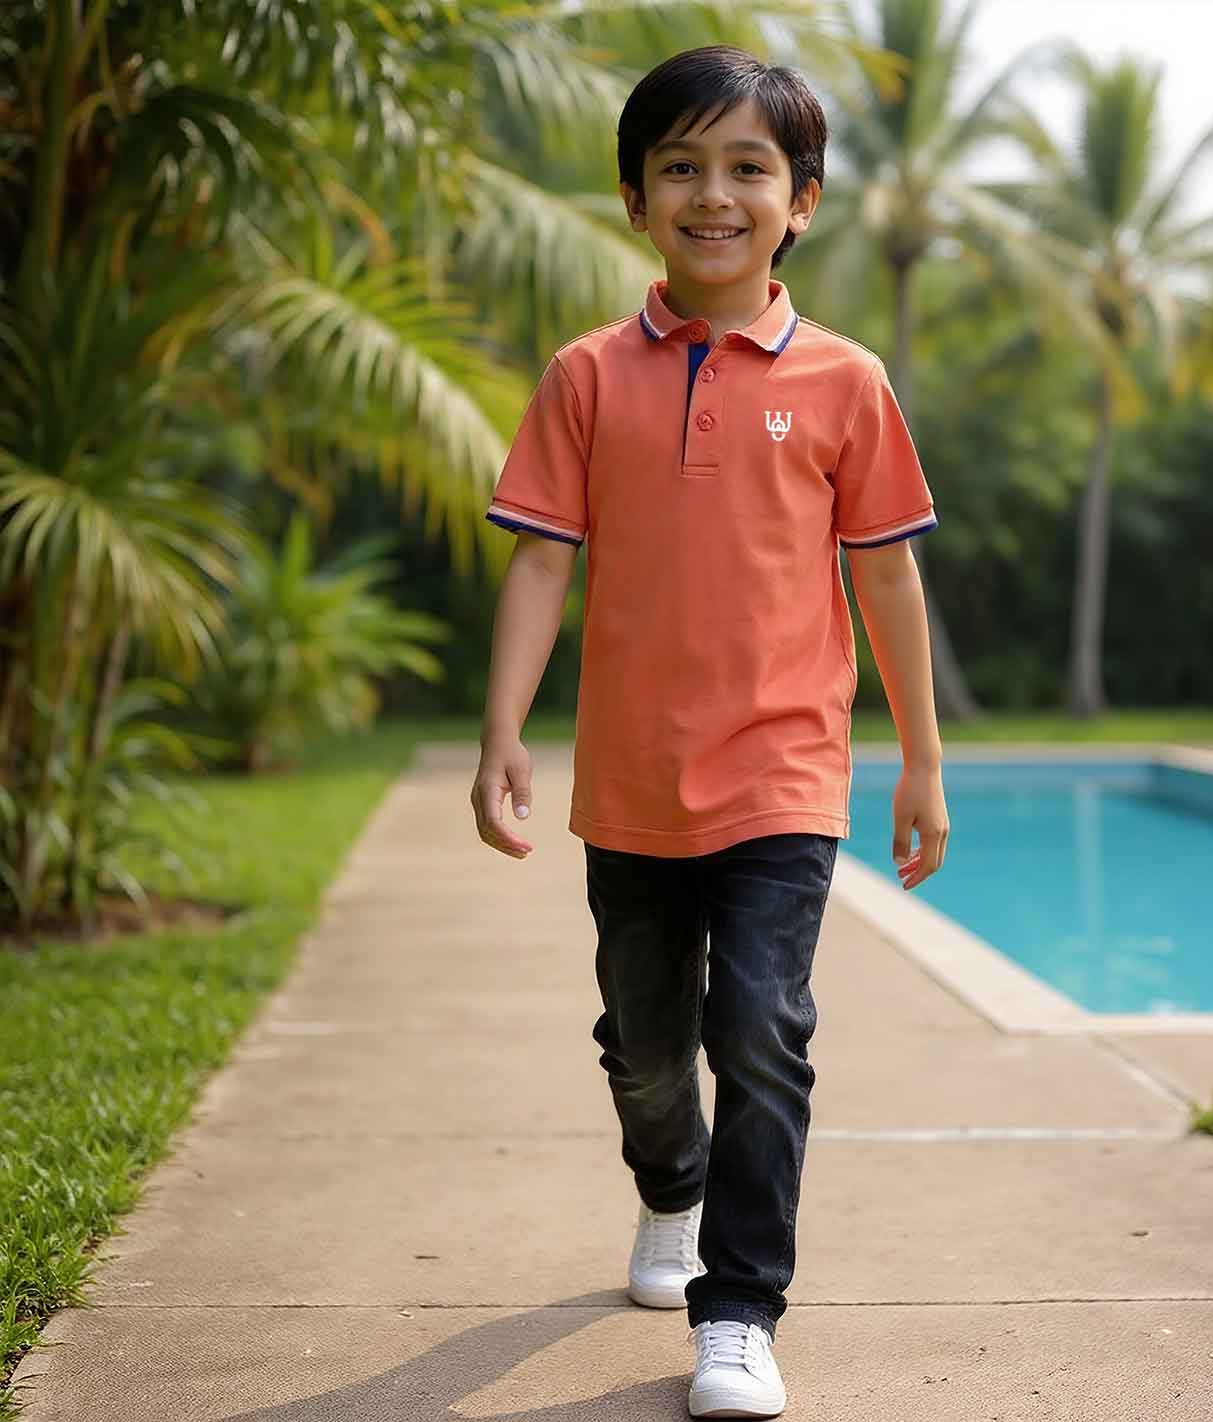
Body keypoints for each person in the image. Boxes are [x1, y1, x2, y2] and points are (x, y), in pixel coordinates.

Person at [472, 43, 950, 1419]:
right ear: (633, 197)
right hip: (626, 785)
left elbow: (885, 573)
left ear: (798, 201)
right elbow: (541, 563)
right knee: (643, 1039)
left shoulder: (849, 382)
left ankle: (736, 1309)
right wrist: (503, 730)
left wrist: (918, 756)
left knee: (759, 1030)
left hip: (785, 776)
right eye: (680, 165)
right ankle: (668, 1186)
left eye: (748, 167)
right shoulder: (584, 376)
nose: (713, 193)